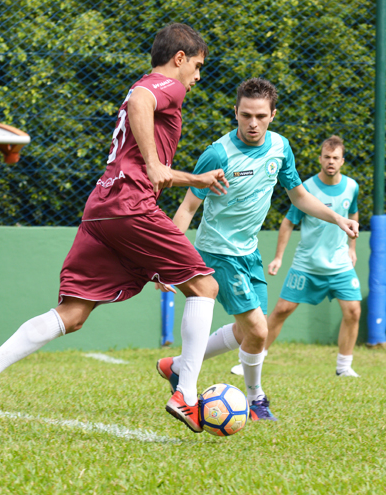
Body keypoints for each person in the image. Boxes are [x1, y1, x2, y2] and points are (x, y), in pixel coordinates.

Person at [0, 23, 229, 434]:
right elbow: (142, 105)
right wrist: (158, 167)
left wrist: (191, 178)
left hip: (102, 207)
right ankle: (186, 394)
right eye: (198, 65)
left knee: (74, 312)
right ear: (179, 58)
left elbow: (142, 123)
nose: (198, 75)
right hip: (130, 207)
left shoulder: (145, 85)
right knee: (205, 287)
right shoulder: (163, 86)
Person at [155, 79, 359, 421]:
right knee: (260, 330)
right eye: (246, 115)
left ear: (272, 115)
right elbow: (188, 208)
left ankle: (176, 366)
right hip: (218, 252)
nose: (253, 123)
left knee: (245, 332)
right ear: (235, 112)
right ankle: (255, 399)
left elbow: (299, 197)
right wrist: (168, 258)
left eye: (261, 116)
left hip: (250, 253)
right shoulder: (218, 153)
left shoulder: (280, 148)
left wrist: (338, 218)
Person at [264, 135, 362, 377]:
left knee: (353, 311)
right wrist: (278, 257)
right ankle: (253, 358)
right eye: (327, 157)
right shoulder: (306, 188)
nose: (331, 162)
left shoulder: (352, 186)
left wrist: (352, 248)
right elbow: (288, 224)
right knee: (282, 310)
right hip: (307, 265)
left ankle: (343, 368)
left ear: (342, 161)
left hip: (339, 264)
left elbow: (353, 214)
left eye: (335, 158)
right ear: (320, 159)